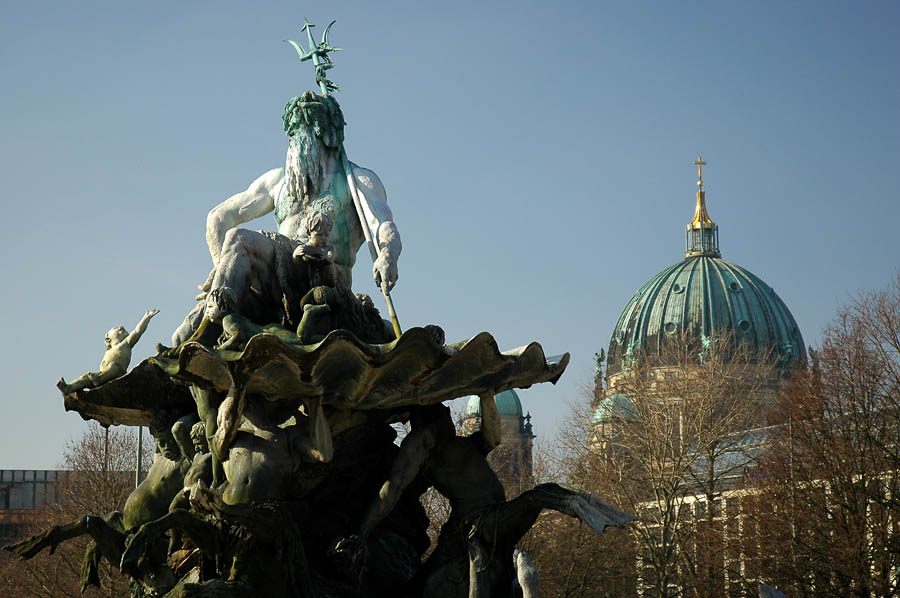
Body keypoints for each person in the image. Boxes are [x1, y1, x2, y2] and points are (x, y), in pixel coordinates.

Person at [173, 91, 400, 344]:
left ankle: (220, 313)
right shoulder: (279, 181)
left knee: (238, 238)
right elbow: (218, 218)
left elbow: (382, 225)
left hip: (329, 276)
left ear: (325, 134)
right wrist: (222, 266)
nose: (294, 141)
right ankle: (219, 307)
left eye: (302, 130)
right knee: (182, 334)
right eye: (291, 133)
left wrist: (387, 257)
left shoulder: (356, 181)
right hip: (278, 281)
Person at [57, 309, 159, 394]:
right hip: (102, 374)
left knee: (113, 366)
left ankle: (99, 379)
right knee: (85, 377)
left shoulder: (126, 344)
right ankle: (69, 388)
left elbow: (137, 331)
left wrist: (146, 317)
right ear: (108, 339)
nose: (121, 327)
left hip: (119, 374)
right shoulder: (109, 351)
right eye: (116, 328)